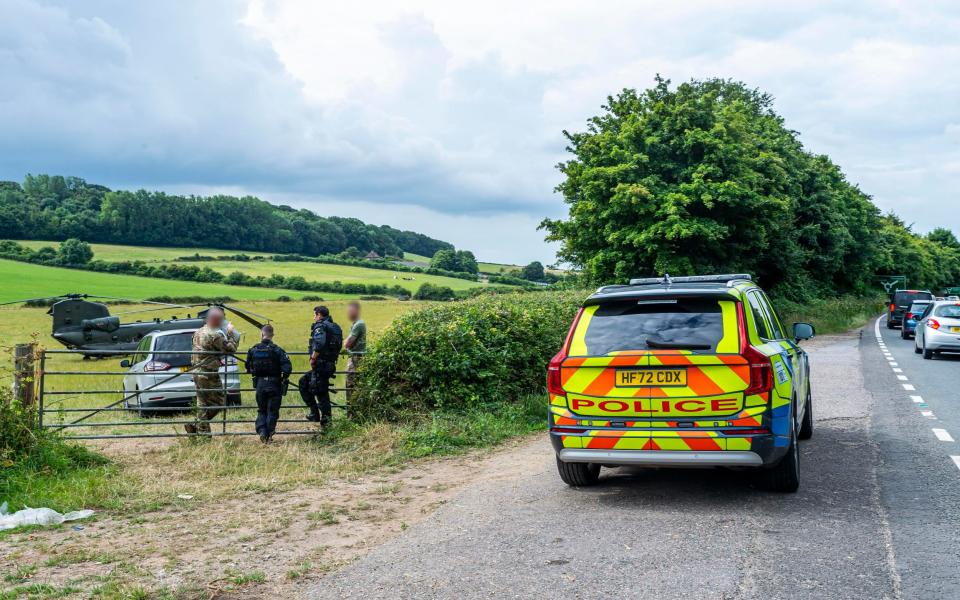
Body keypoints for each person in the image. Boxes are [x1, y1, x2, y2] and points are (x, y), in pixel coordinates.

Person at [188, 307, 237, 435]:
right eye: (221, 320)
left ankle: (202, 433)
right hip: (208, 374)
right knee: (219, 402)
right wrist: (230, 333)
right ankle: (197, 425)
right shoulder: (214, 334)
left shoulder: (199, 331)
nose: (223, 322)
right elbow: (231, 349)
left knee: (202, 403)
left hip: (196, 371)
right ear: (216, 320)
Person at [245, 324, 292, 443]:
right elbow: (287, 368)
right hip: (274, 383)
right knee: (272, 410)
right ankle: (269, 434)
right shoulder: (277, 350)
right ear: (273, 335)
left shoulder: (253, 349)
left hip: (260, 384)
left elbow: (248, 366)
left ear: (261, 334)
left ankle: (261, 431)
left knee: (262, 410)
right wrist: (283, 378)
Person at [298, 305, 343, 426]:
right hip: (330, 364)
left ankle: (322, 420)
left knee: (316, 390)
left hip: (321, 364)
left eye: (314, 315)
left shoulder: (321, 326)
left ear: (319, 315)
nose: (314, 318)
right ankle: (322, 419)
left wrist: (313, 357)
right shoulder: (335, 327)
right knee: (319, 390)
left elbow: (319, 343)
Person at [344, 300, 367, 403]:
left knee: (352, 385)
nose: (348, 313)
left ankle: (353, 413)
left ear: (357, 311)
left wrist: (345, 343)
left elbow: (348, 343)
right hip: (355, 358)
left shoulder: (359, 324)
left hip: (356, 359)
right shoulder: (356, 324)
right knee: (352, 386)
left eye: (350, 311)